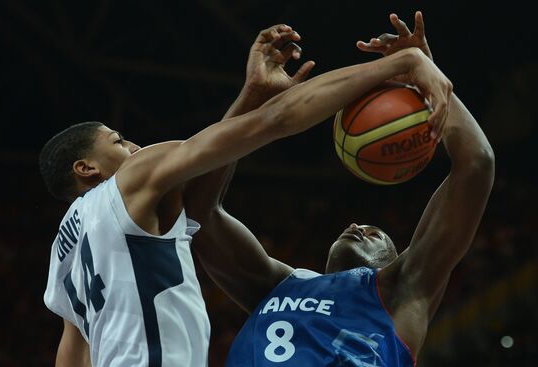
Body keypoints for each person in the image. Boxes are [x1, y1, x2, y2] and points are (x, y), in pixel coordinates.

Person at [39, 18, 451, 367]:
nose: (133, 147)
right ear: (86, 168)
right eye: (118, 141)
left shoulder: (63, 255)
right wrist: (404, 63)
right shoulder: (134, 177)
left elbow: (71, 356)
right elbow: (279, 121)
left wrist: (253, 94)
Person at [185, 11, 493, 366]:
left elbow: (477, 164)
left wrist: (430, 78)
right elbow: (201, 214)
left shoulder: (402, 290)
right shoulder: (276, 285)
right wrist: (252, 97)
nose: (356, 226)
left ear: (395, 259)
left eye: (375, 232)